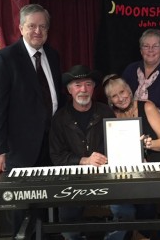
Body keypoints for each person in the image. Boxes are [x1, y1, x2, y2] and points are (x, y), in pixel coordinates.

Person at [0, 4, 62, 237]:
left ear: (48, 30)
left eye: (42, 26)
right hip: (20, 150)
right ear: (20, 28)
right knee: (23, 212)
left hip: (53, 147)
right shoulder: (5, 58)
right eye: (32, 26)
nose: (37, 31)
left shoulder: (54, 56)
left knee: (51, 208)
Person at [49, 65, 115, 240]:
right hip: (72, 180)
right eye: (78, 85)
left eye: (88, 84)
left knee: (125, 210)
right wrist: (83, 160)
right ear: (70, 90)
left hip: (105, 177)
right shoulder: (59, 119)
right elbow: (57, 156)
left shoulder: (106, 112)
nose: (83, 89)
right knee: (68, 218)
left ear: (93, 88)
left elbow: (116, 145)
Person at [102, 74, 160, 240]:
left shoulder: (147, 107)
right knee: (120, 199)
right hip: (123, 169)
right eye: (114, 96)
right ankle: (125, 233)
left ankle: (141, 234)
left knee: (146, 201)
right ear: (110, 100)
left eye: (122, 92)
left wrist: (148, 143)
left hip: (152, 163)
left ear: (129, 90)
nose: (120, 98)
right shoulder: (109, 115)